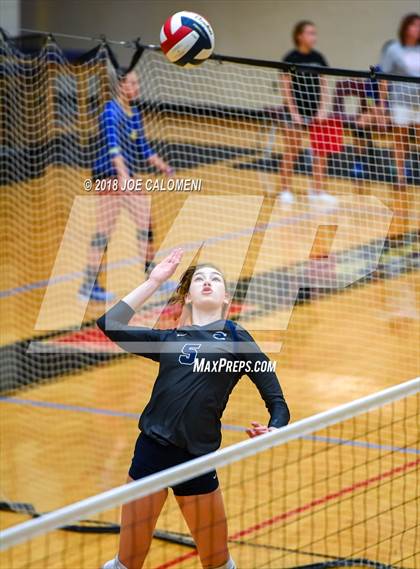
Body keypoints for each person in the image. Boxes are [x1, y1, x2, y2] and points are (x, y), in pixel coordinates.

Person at [97, 248, 290, 569]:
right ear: (187, 297)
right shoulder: (169, 340)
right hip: (151, 454)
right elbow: (110, 324)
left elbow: (277, 401)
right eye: (199, 278)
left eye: (215, 279)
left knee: (217, 563)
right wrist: (155, 280)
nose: (207, 282)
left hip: (198, 458)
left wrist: (275, 429)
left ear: (226, 297)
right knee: (127, 562)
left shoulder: (237, 338)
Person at [79, 69, 173, 303]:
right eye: (132, 83)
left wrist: (165, 167)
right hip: (109, 176)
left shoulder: (134, 113)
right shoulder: (111, 112)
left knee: (145, 224)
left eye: (137, 82)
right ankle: (89, 286)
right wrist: (123, 177)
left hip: (123, 176)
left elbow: (144, 149)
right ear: (121, 86)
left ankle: (151, 277)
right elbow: (114, 149)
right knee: (104, 231)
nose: (137, 87)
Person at [279, 20, 338, 208]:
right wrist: (294, 113)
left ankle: (317, 190)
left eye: (315, 33)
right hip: (294, 113)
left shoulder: (319, 58)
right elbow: (286, 88)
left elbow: (323, 85)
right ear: (300, 36)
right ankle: (285, 190)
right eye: (310, 33)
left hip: (316, 113)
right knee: (291, 151)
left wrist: (322, 110)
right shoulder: (290, 57)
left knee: (321, 153)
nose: (314, 37)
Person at [379, 13, 420, 188]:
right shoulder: (393, 49)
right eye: (414, 25)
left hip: (419, 101)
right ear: (405, 27)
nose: (417, 29)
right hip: (400, 101)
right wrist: (382, 106)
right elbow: (384, 78)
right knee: (400, 138)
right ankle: (400, 177)